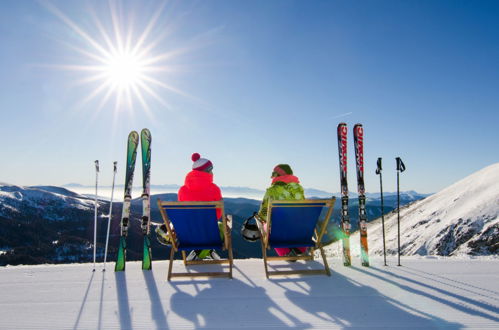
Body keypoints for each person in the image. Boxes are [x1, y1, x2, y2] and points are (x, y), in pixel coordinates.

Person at [156, 153, 222, 260]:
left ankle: (198, 252)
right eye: (211, 170)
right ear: (206, 171)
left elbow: (184, 215)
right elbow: (217, 215)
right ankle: (206, 251)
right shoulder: (214, 189)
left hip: (187, 236)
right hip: (210, 234)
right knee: (223, 228)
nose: (212, 172)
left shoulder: (182, 190)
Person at [257, 164, 306, 257]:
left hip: (279, 230)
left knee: (265, 225)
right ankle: (300, 249)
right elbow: (303, 209)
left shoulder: (271, 191)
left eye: (274, 174)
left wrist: (260, 220)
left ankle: (285, 253)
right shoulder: (299, 189)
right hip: (299, 229)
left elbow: (263, 214)